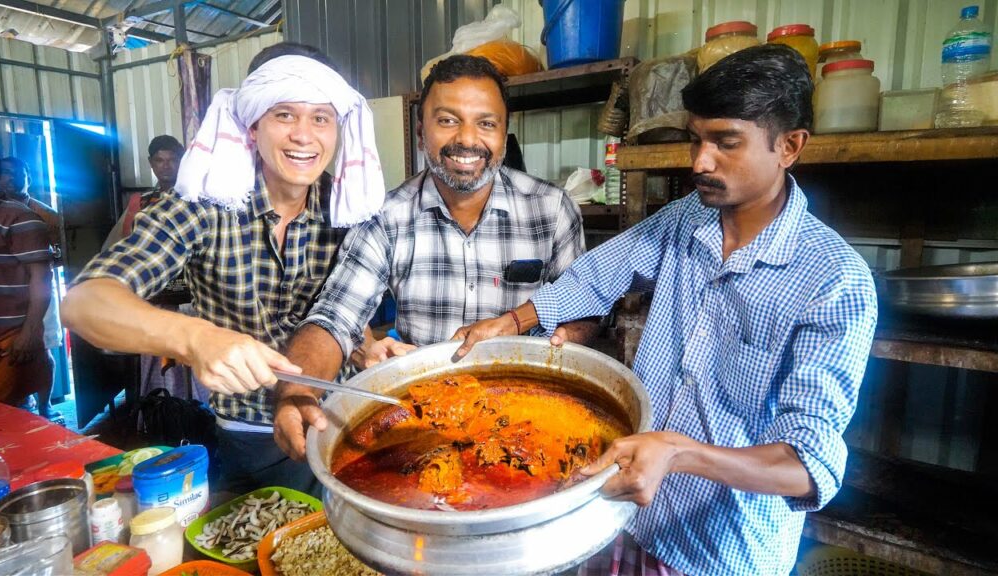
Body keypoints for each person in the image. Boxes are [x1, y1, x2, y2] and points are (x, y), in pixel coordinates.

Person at [453, 45, 878, 575]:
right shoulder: (685, 220)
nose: (700, 161)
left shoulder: (834, 281)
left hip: (719, 548)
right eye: (696, 139)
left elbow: (808, 464)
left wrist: (678, 453)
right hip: (626, 512)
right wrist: (513, 321)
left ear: (789, 146)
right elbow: (597, 274)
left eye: (726, 143)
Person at [61, 42, 386, 495]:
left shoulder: (346, 205)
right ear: (252, 125)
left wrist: (366, 348)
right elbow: (83, 303)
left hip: (345, 419)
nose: (304, 136)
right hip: (251, 435)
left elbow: (342, 313)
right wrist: (195, 338)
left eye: (320, 117)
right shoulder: (204, 204)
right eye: (284, 115)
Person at [271, 54, 596, 461]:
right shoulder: (386, 217)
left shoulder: (551, 208)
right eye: (447, 120)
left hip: (529, 420)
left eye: (486, 123)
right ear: (421, 132)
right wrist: (297, 392)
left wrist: (566, 337)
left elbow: (583, 310)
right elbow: (335, 316)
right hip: (422, 425)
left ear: (504, 134)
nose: (467, 139)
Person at [0, 140, 54, 411]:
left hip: (4, 345)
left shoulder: (21, 218)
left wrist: (30, 333)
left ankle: (44, 409)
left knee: (7, 424)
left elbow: (41, 278)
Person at [0, 156, 65, 423]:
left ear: (29, 178)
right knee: (4, 351)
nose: (11, 178)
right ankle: (15, 405)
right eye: (4, 173)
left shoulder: (46, 215)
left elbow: (65, 254)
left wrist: (45, 258)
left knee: (45, 348)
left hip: (42, 289)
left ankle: (45, 407)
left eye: (17, 173)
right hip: (5, 295)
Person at [102, 135, 184, 249]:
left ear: (181, 161)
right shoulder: (141, 201)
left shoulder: (191, 199)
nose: (166, 166)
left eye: (172, 160)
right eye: (159, 160)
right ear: (151, 162)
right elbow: (119, 241)